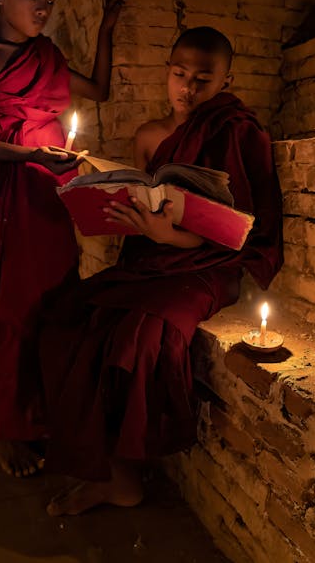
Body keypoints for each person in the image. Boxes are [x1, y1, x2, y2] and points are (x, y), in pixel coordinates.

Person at [39, 26, 283, 515]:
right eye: (179, 74)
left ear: (226, 81)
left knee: (142, 335)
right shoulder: (149, 136)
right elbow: (146, 200)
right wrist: (115, 213)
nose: (187, 89)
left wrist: (168, 236)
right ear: (166, 72)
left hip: (208, 265)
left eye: (203, 79)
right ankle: (106, 470)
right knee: (68, 315)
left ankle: (125, 474)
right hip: (152, 261)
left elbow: (241, 229)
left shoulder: (239, 131)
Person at [0, 0, 123, 477]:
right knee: (3, 314)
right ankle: (8, 427)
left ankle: (43, 414)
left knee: (52, 304)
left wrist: (107, 28)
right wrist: (29, 154)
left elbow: (99, 89)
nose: (43, 8)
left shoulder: (48, 56)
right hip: (2, 201)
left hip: (45, 202)